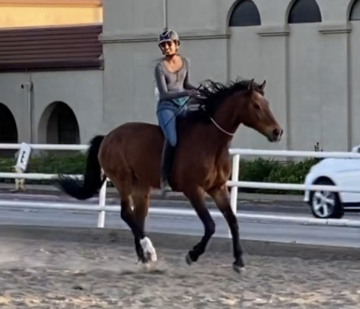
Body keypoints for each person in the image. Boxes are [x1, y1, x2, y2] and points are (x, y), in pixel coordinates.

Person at [154, 29, 199, 195]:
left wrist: (200, 90)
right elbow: (165, 93)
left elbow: (186, 84)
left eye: (169, 44)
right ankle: (164, 178)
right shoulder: (159, 68)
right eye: (163, 45)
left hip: (183, 106)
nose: (166, 47)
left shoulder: (185, 62)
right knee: (172, 140)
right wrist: (187, 93)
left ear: (177, 45)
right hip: (167, 107)